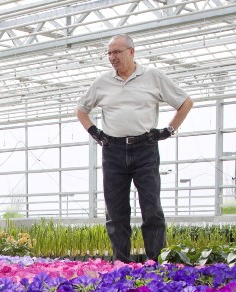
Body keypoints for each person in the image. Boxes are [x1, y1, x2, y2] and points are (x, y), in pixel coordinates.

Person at [76, 34, 193, 262]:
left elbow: (185, 102)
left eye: (117, 52)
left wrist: (168, 130)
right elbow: (81, 110)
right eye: (109, 53)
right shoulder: (102, 81)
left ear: (131, 52)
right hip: (113, 149)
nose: (112, 57)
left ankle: (155, 262)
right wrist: (95, 133)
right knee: (116, 212)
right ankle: (121, 263)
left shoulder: (152, 76)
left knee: (151, 209)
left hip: (145, 148)